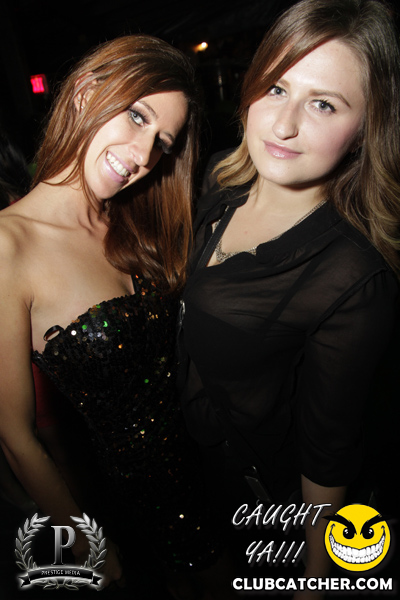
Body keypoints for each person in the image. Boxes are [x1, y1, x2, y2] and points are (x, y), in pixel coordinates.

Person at [180, 0, 400, 596]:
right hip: (196, 480)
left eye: (323, 104)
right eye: (276, 88)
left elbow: (330, 449)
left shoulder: (351, 275)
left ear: (366, 128)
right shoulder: (219, 186)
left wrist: (315, 575)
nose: (282, 125)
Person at [0, 35, 224, 597]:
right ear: (83, 93)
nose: (144, 155)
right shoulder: (8, 247)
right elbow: (14, 433)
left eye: (162, 141)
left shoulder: (136, 222)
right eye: (137, 115)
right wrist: (85, 542)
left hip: (215, 467)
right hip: (133, 506)